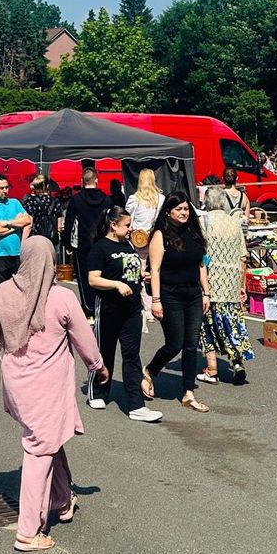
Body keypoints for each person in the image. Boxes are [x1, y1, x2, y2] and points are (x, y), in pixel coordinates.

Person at [0, 237, 109, 553]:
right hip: (47, 386)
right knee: (39, 450)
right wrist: (98, 366)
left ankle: (62, 501)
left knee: (47, 440)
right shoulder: (61, 297)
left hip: (17, 384)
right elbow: (85, 340)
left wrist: (8, 352)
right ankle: (28, 531)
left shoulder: (3, 292)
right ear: (50, 262)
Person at [85, 207, 163, 421]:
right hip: (109, 308)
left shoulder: (128, 245)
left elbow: (130, 271)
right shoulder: (100, 248)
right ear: (113, 224)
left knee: (131, 355)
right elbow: (93, 279)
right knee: (105, 352)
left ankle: (136, 405)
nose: (130, 229)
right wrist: (117, 284)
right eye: (127, 225)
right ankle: (98, 391)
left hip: (131, 308)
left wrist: (141, 276)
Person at [147, 193, 211, 412]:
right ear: (168, 212)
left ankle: (188, 393)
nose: (184, 213)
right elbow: (154, 269)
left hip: (193, 294)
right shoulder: (160, 235)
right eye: (179, 209)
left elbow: (200, 265)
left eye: (186, 209)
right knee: (175, 343)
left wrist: (207, 293)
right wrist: (156, 300)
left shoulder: (193, 232)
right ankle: (150, 370)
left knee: (191, 344)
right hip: (169, 294)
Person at [198, 185, 254, 384]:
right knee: (232, 323)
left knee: (207, 325)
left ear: (206, 202)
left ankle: (212, 368)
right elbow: (243, 256)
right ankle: (236, 361)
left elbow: (199, 254)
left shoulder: (202, 221)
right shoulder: (235, 222)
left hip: (210, 281)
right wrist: (242, 284)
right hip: (231, 279)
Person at [61, 164, 111, 312]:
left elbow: (69, 222)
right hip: (102, 241)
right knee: (102, 273)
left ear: (82, 181)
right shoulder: (106, 199)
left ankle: (88, 307)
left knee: (84, 276)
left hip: (83, 242)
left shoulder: (76, 200)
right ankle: (101, 304)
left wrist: (67, 243)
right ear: (96, 180)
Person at [0, 174, 32, 289]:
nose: (5, 191)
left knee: (18, 291)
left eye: (7, 187)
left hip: (16, 254)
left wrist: (7, 223)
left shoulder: (15, 203)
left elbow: (27, 220)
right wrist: (16, 224)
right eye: (1, 188)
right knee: (0, 293)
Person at [25, 173, 61, 247]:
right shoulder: (55, 201)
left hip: (36, 238)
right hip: (52, 238)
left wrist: (23, 241)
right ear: (47, 186)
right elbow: (59, 226)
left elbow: (29, 224)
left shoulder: (31, 201)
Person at [217, 165, 251, 229]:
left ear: (222, 178)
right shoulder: (244, 197)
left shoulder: (220, 196)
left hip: (225, 232)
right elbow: (246, 221)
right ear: (237, 178)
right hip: (239, 233)